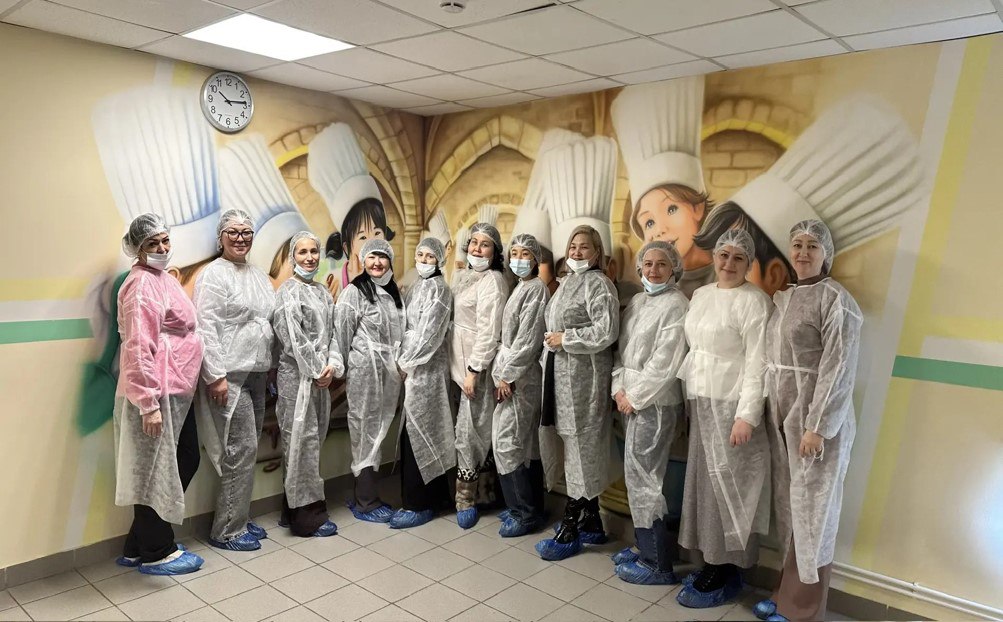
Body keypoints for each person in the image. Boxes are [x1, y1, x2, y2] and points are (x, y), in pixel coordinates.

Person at [754, 220, 862, 622]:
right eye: (797, 244)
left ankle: (803, 610)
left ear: (825, 254)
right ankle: (785, 595)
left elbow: (838, 367)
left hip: (817, 424)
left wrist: (818, 426)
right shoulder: (787, 297)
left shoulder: (836, 300)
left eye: (812, 246)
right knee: (792, 507)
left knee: (814, 511)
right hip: (786, 419)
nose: (802, 252)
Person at [674, 228, 772, 608]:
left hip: (731, 407)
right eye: (723, 255)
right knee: (704, 485)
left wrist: (747, 416)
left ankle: (728, 568)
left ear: (749, 264)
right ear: (714, 257)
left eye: (738, 257)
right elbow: (695, 349)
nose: (729, 263)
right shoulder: (701, 295)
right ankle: (710, 559)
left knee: (728, 489)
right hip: (701, 402)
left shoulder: (754, 302)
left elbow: (758, 363)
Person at [113, 214, 205, 575]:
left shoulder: (161, 279)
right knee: (159, 469)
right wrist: (148, 404)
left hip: (175, 388)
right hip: (156, 392)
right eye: (153, 243)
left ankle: (137, 545)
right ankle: (157, 550)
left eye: (165, 240)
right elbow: (138, 346)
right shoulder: (140, 286)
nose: (162, 248)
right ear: (137, 249)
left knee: (176, 462)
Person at [535, 225, 620, 561]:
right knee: (575, 448)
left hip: (585, 380)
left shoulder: (600, 285)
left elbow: (606, 331)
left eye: (585, 247)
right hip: (561, 377)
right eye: (573, 246)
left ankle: (570, 527)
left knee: (581, 449)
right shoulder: (567, 282)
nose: (577, 252)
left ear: (597, 253)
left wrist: (566, 338)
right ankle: (593, 521)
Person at [195, 209, 276, 551]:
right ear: (221, 237)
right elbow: (206, 327)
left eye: (246, 232)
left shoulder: (258, 275)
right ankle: (227, 529)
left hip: (257, 372)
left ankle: (238, 516)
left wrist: (271, 365)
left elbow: (268, 321)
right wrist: (215, 376)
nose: (240, 238)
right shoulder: (213, 275)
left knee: (248, 448)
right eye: (233, 232)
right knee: (238, 449)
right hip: (229, 374)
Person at [610, 241, 689, 585]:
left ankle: (657, 562)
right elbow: (620, 353)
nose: (653, 270)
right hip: (629, 398)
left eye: (661, 264)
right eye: (648, 263)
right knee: (636, 475)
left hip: (655, 403)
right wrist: (618, 389)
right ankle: (644, 546)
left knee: (646, 479)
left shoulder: (677, 305)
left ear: (674, 269)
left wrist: (636, 396)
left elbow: (666, 362)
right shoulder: (638, 302)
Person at [611, 76, 715, 299]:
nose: (659, 230)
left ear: (697, 208)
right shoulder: (647, 284)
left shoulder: (724, 273)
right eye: (649, 222)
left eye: (671, 209)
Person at [272, 231, 344, 538]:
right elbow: (293, 341)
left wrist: (332, 366)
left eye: (314, 251)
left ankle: (291, 511)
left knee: (311, 444)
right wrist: (316, 371)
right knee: (299, 444)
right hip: (297, 381)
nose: (310, 257)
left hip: (319, 380)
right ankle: (307, 518)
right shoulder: (288, 293)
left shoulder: (322, 292)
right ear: (293, 257)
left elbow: (334, 335)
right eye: (302, 252)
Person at [333, 238, 405, 522]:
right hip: (365, 372)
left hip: (388, 374)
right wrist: (338, 368)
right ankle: (365, 502)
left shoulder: (393, 292)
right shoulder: (354, 292)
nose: (377, 263)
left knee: (378, 432)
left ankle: (367, 496)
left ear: (390, 260)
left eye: (382, 257)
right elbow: (341, 335)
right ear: (363, 260)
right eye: (371, 257)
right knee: (364, 431)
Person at [391, 236, 455, 529]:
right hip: (413, 368)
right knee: (416, 432)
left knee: (422, 432)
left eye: (431, 257)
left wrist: (407, 362)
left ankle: (419, 504)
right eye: (421, 255)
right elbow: (405, 325)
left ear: (440, 260)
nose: (425, 261)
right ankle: (433, 498)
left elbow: (430, 336)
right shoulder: (417, 286)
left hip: (426, 370)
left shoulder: (440, 290)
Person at [450, 222, 509, 529]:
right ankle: (486, 493)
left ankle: (467, 498)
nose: (477, 248)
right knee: (471, 429)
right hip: (458, 366)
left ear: (495, 252)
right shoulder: (466, 276)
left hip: (476, 368)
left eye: (484, 244)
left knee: (470, 432)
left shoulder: (493, 282)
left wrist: (474, 370)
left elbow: (489, 332)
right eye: (473, 242)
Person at [493, 233, 550, 538]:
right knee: (521, 444)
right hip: (513, 374)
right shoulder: (521, 287)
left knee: (509, 442)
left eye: (525, 254)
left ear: (535, 259)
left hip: (521, 379)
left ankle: (525, 513)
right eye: (513, 253)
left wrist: (508, 375)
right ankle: (526, 506)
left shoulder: (536, 289)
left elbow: (528, 341)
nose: (518, 259)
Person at [309, 123, 395, 299]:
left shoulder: (387, 277)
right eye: (362, 237)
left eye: (377, 233)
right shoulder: (333, 282)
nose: (372, 243)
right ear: (347, 246)